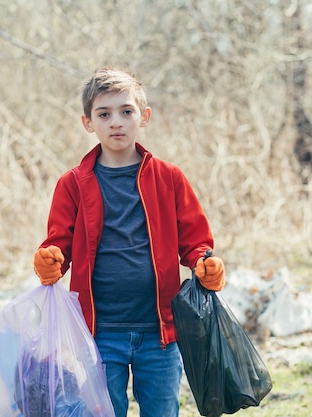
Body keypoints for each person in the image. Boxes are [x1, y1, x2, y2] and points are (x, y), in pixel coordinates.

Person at [32, 66, 226, 417]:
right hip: (98, 332)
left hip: (161, 332)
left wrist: (205, 263)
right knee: (104, 412)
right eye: (104, 114)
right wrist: (50, 259)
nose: (116, 122)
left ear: (144, 116)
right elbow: (59, 242)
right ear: (88, 122)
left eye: (126, 111)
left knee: (163, 411)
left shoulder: (169, 178)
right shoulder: (73, 184)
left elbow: (195, 240)